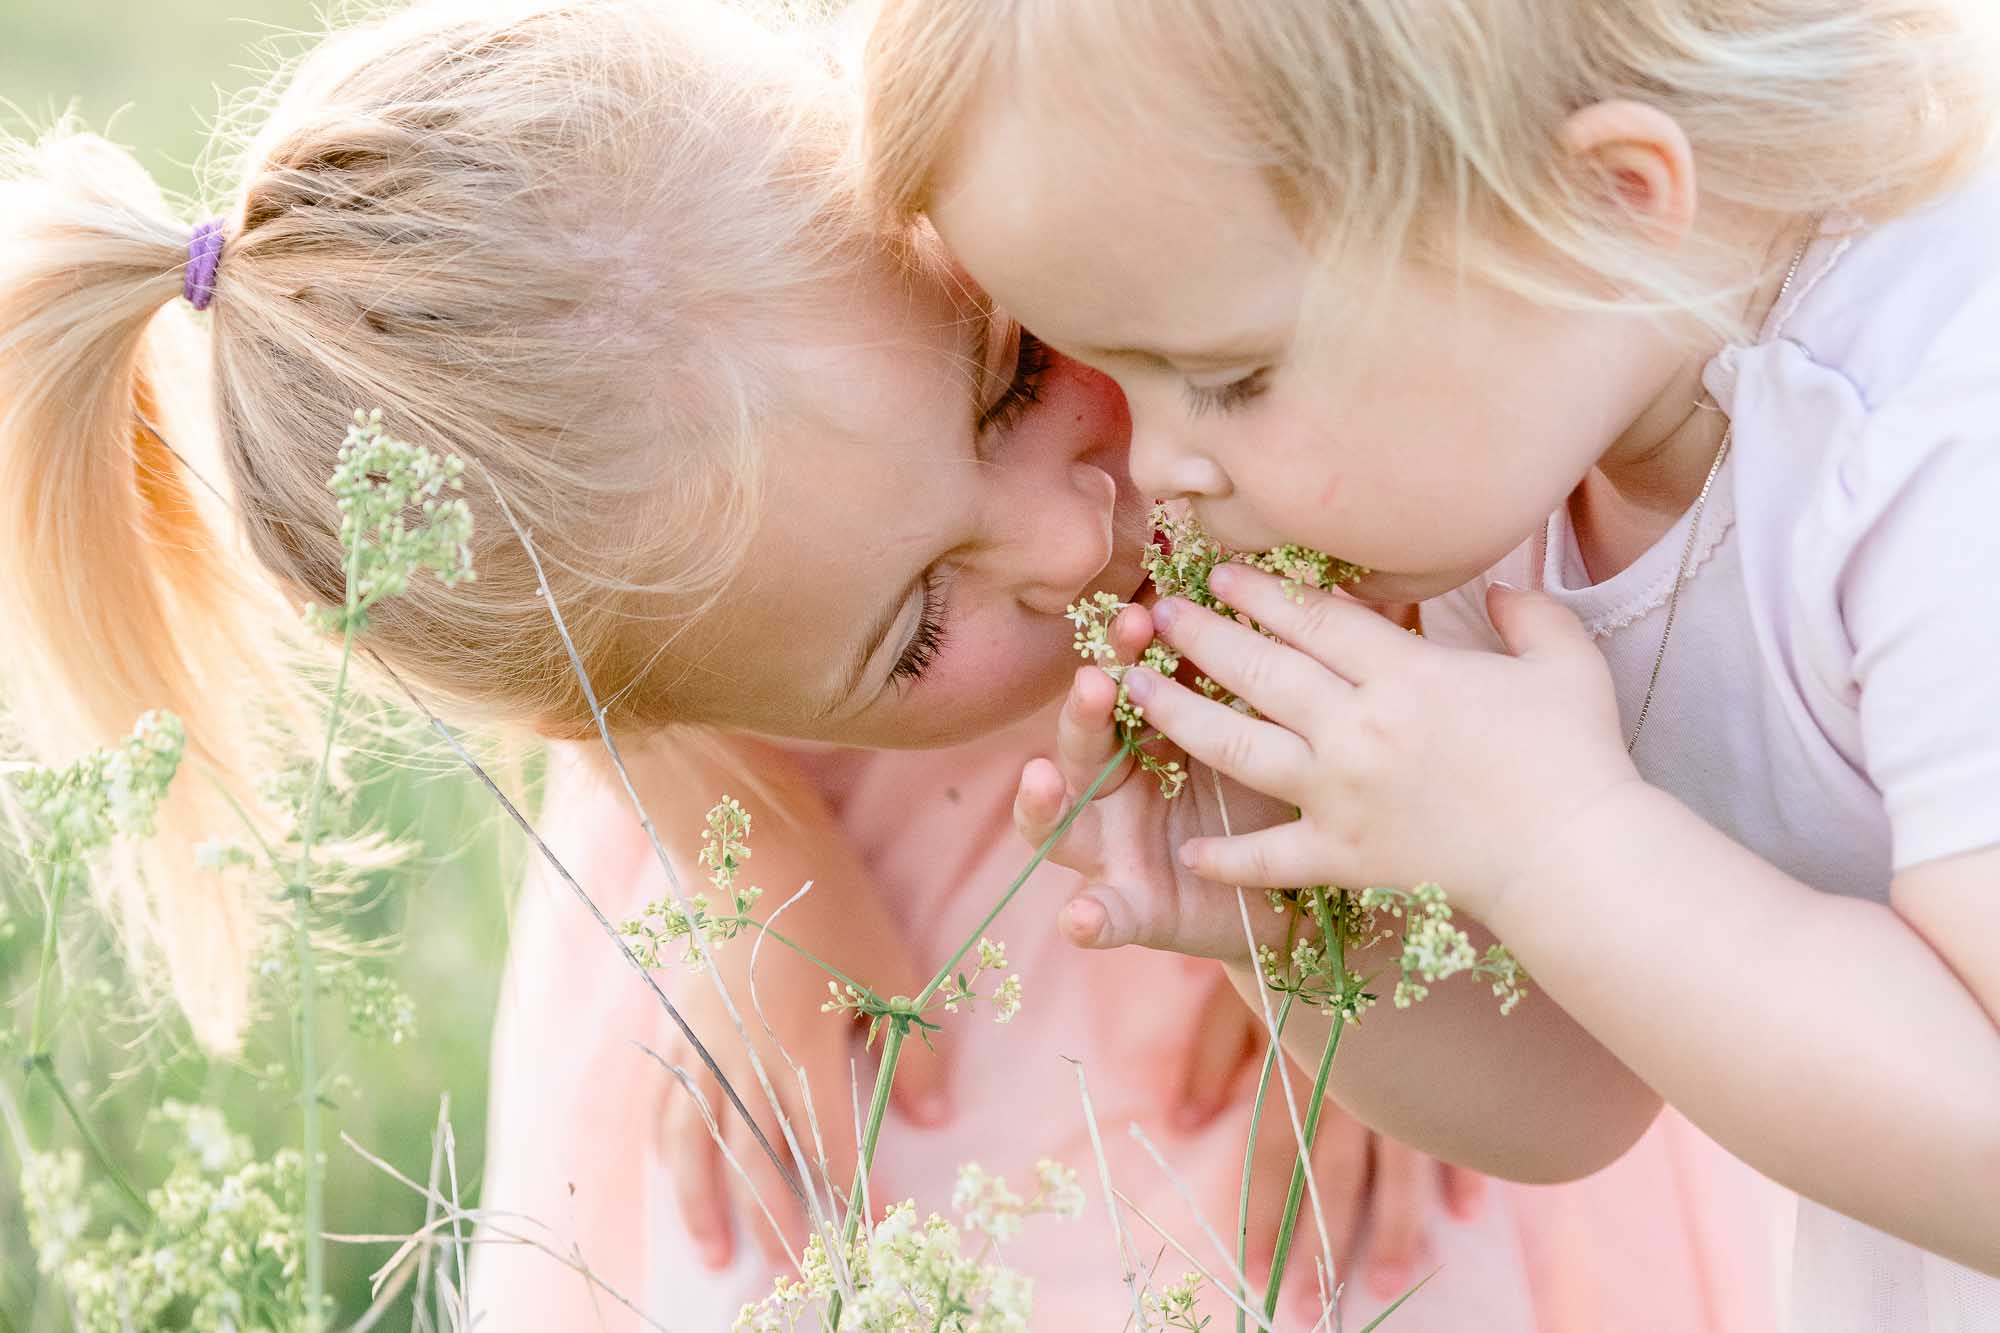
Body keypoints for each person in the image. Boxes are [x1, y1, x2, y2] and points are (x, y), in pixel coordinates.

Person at [0, 0, 1774, 1326]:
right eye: (919, 621)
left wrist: (1347, 963)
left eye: (1010, 373)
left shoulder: (1097, 160)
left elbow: (1578, 1088)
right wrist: (722, 808)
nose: (1081, 533)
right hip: (868, 963)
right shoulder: (672, 675)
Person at [861, 0, 2000, 1327]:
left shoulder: (1937, 437)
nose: (1160, 468)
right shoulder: (1524, 439)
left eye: (1225, 377)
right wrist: (1291, 907)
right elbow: (1576, 1095)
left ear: (1607, 209)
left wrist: (1554, 842)